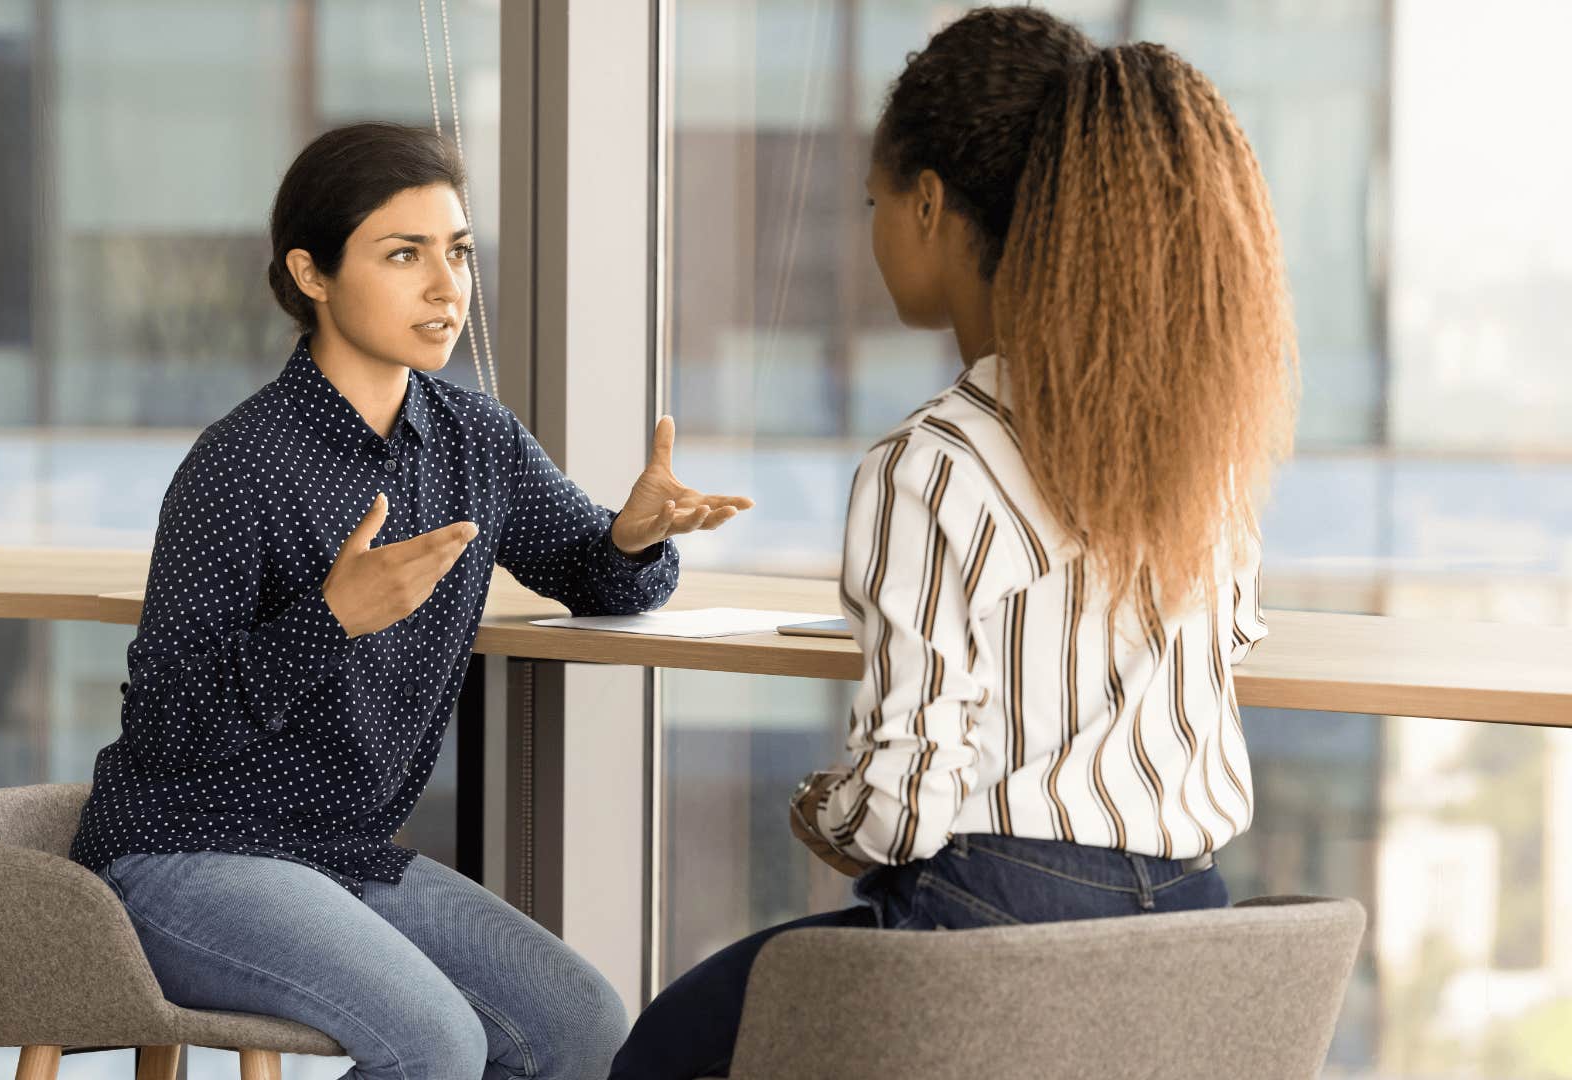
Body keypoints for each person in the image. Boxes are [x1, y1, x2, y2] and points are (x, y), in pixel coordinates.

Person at [611, 6, 1296, 1077]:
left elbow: (902, 805)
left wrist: (820, 809)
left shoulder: (931, 465)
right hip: (1189, 946)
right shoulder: (1197, 450)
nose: (873, 225)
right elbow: (1228, 643)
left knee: (666, 1049)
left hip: (997, 941)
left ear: (928, 204)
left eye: (874, 200)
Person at [68, 121, 753, 1080]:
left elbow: (592, 573)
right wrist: (328, 619)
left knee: (582, 1024)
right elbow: (167, 728)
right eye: (404, 256)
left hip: (336, 850)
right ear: (311, 274)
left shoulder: (473, 435)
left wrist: (632, 539)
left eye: (458, 253)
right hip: (189, 847)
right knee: (435, 1045)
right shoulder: (239, 467)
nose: (447, 288)